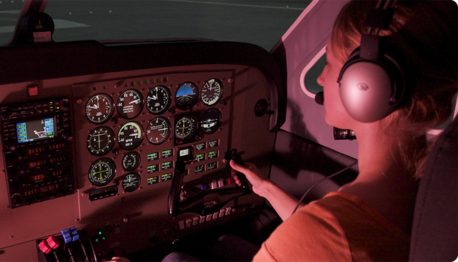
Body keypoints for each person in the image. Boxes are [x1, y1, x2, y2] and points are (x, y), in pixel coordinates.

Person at [159, 0, 458, 261]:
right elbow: (329, 235)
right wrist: (264, 188)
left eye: (329, 62)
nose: (324, 77)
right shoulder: (432, 194)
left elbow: (322, 238)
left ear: (365, 86)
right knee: (223, 243)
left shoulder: (322, 236)